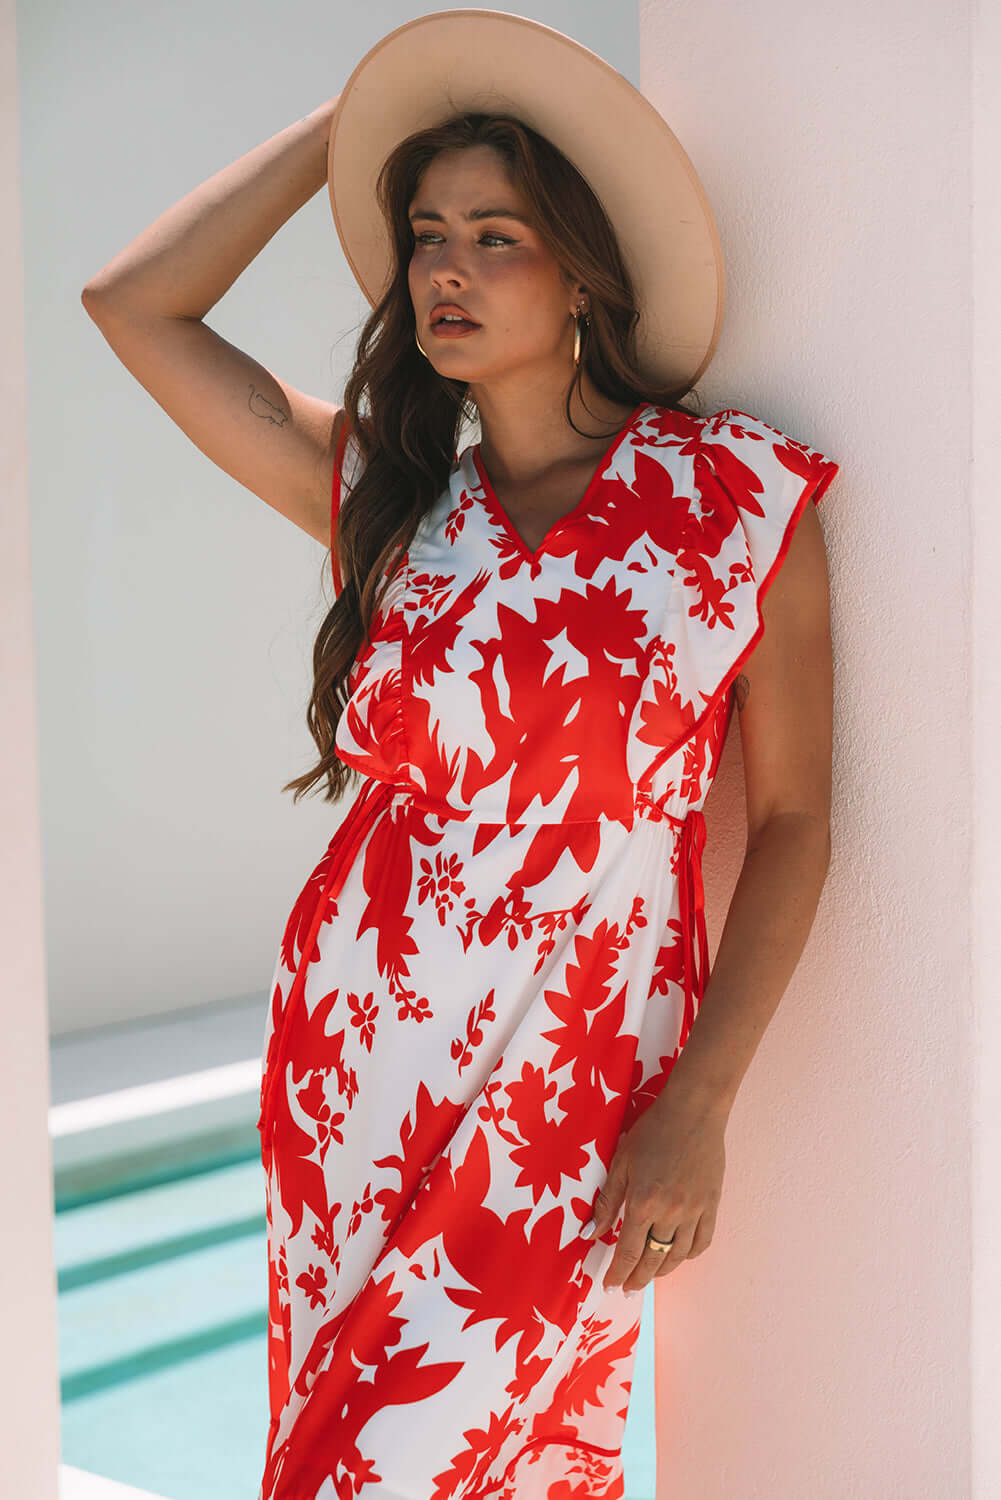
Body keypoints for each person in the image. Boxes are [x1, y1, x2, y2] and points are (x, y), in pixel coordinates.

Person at [81, 16, 839, 1500]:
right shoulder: (389, 499)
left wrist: (701, 1100)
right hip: (355, 1071)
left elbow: (800, 819)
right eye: (424, 231)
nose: (444, 267)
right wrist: (348, 126)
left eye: (496, 236)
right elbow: (134, 308)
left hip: (580, 1084)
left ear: (582, 273)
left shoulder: (737, 498)